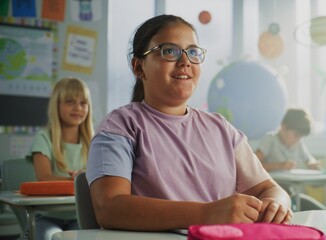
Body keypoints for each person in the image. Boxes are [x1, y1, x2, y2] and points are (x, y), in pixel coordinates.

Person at [85, 14, 292, 232]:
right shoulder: (121, 125)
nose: (185, 61)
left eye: (193, 52)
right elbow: (109, 208)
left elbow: (270, 189)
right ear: (138, 67)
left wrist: (276, 204)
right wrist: (207, 213)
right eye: (170, 51)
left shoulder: (221, 128)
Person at [28, 77, 94, 240]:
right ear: (56, 105)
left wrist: (83, 176)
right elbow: (43, 177)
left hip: (82, 217)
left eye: (83, 103)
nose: (77, 108)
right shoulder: (43, 137)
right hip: (47, 216)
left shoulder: (95, 140)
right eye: (70, 101)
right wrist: (77, 180)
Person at [255, 108, 320, 172]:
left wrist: (312, 163)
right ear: (283, 127)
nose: (298, 140)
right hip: (275, 181)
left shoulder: (298, 142)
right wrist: (279, 166)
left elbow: (309, 159)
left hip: (293, 181)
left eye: (300, 137)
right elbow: (253, 165)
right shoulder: (270, 139)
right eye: (296, 135)